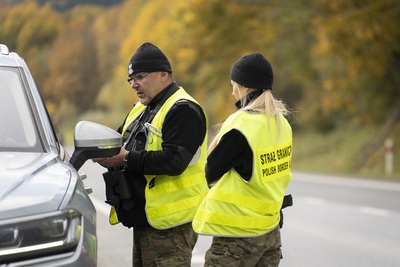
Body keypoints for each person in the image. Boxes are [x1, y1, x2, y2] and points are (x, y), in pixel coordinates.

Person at [93, 42, 209, 267]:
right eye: (130, 80)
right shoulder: (142, 107)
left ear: (163, 75)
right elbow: (117, 140)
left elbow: (174, 161)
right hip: (148, 218)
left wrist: (125, 158)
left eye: (140, 77)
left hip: (171, 225)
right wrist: (91, 149)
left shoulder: (183, 109)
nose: (134, 85)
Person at [192, 52, 293, 267]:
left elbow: (210, 172)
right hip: (271, 234)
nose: (232, 92)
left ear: (245, 87)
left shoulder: (241, 125)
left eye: (233, 85)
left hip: (237, 239)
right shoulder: (281, 124)